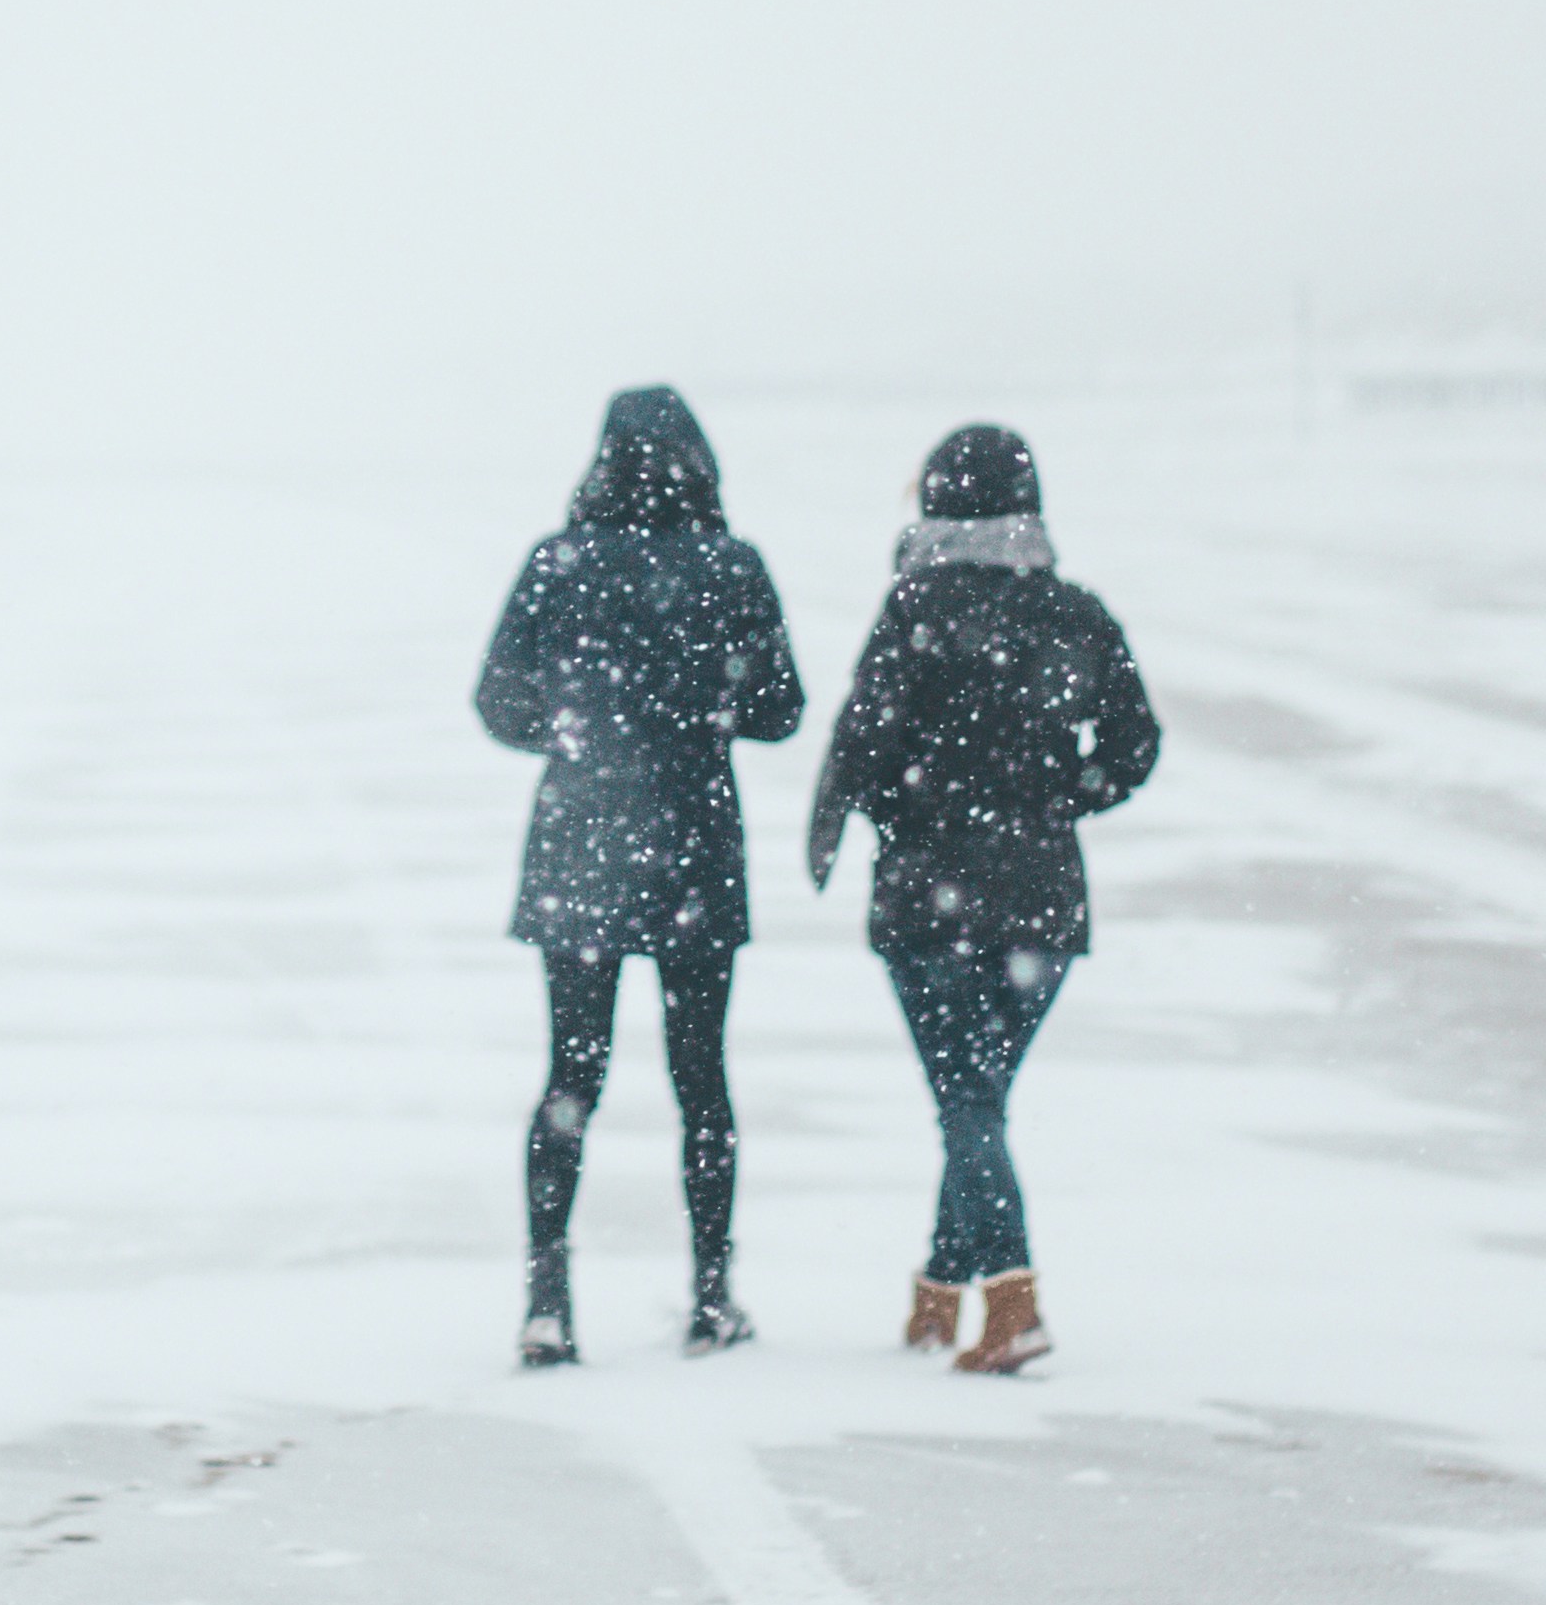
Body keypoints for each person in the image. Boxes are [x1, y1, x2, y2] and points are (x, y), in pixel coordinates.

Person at [805, 422, 1161, 1373]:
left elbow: (862, 749)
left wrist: (906, 815)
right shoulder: (1074, 611)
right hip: (1042, 902)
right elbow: (1135, 748)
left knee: (966, 1102)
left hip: (930, 901)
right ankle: (937, 1300)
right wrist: (1054, 800)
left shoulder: (914, 607)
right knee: (978, 1099)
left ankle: (1012, 1305)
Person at [474, 386, 804, 1370]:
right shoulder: (732, 567)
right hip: (696, 845)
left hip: (581, 845)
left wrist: (576, 733)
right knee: (701, 1079)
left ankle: (548, 1300)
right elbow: (781, 708)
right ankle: (712, 1294)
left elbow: (497, 699)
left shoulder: (558, 562)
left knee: (572, 1078)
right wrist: (699, 713)